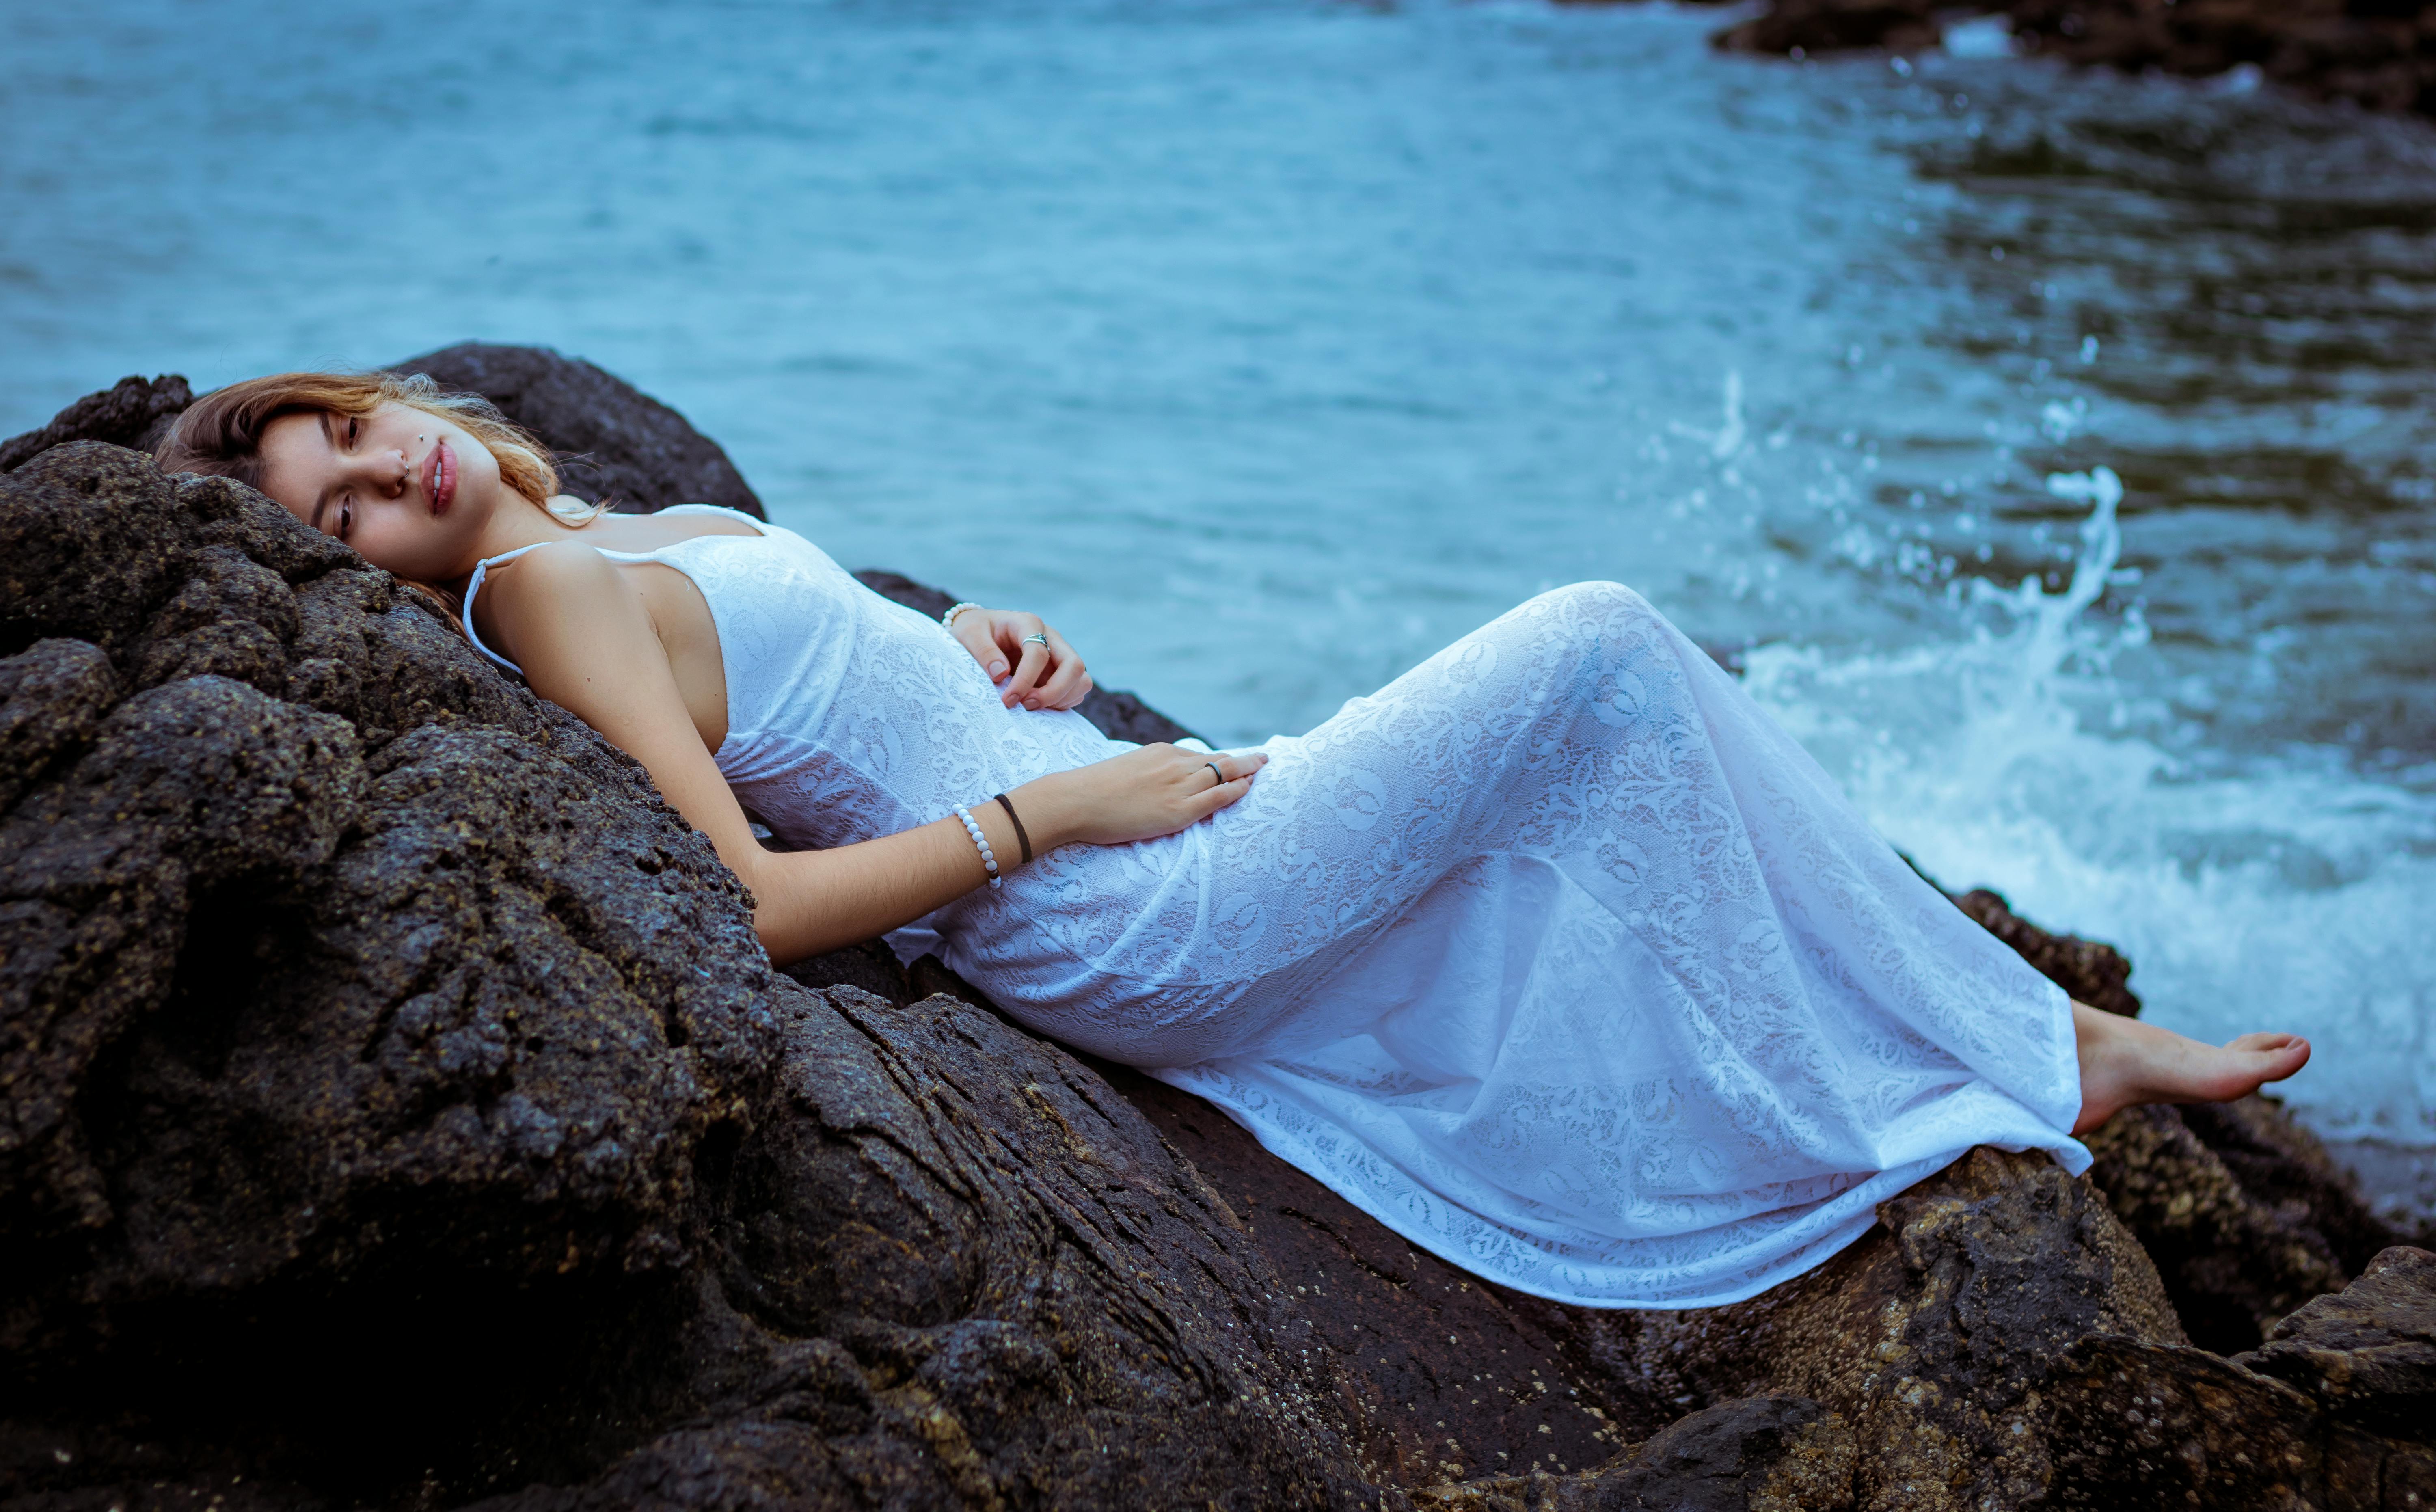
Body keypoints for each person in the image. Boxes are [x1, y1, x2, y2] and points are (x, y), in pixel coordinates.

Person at [159, 369, 2310, 1309]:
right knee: (1603, 657)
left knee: (1594, 747)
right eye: (332, 512)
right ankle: (2031, 1052)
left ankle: (1986, 1046)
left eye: (346, 430)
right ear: (353, 575)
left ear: (384, 386)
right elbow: (750, 903)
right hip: (1109, 903)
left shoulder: (616, 527)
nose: (377, 479)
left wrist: (967, 633)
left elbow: (814, 689)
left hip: (1112, 847)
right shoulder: (533, 595)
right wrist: (1048, 800)